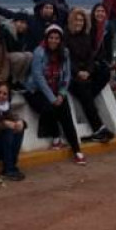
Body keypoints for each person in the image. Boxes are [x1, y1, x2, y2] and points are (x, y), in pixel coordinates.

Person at [24, 26, 88, 164]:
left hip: (56, 89)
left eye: (57, 38)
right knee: (49, 108)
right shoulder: (39, 52)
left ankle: (77, 150)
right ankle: (56, 136)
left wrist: (61, 94)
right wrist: (53, 98)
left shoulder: (64, 53)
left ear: (60, 40)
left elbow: (67, 75)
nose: (54, 40)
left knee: (66, 115)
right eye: (51, 38)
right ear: (46, 38)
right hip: (36, 90)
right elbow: (38, 77)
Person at [65, 7, 114, 142]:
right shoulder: (65, 36)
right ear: (71, 20)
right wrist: (78, 72)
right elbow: (66, 59)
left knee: (104, 73)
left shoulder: (85, 37)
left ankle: (88, 100)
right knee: (83, 88)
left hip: (85, 73)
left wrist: (88, 71)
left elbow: (90, 58)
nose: (79, 23)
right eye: (76, 20)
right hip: (70, 74)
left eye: (81, 20)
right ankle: (99, 128)